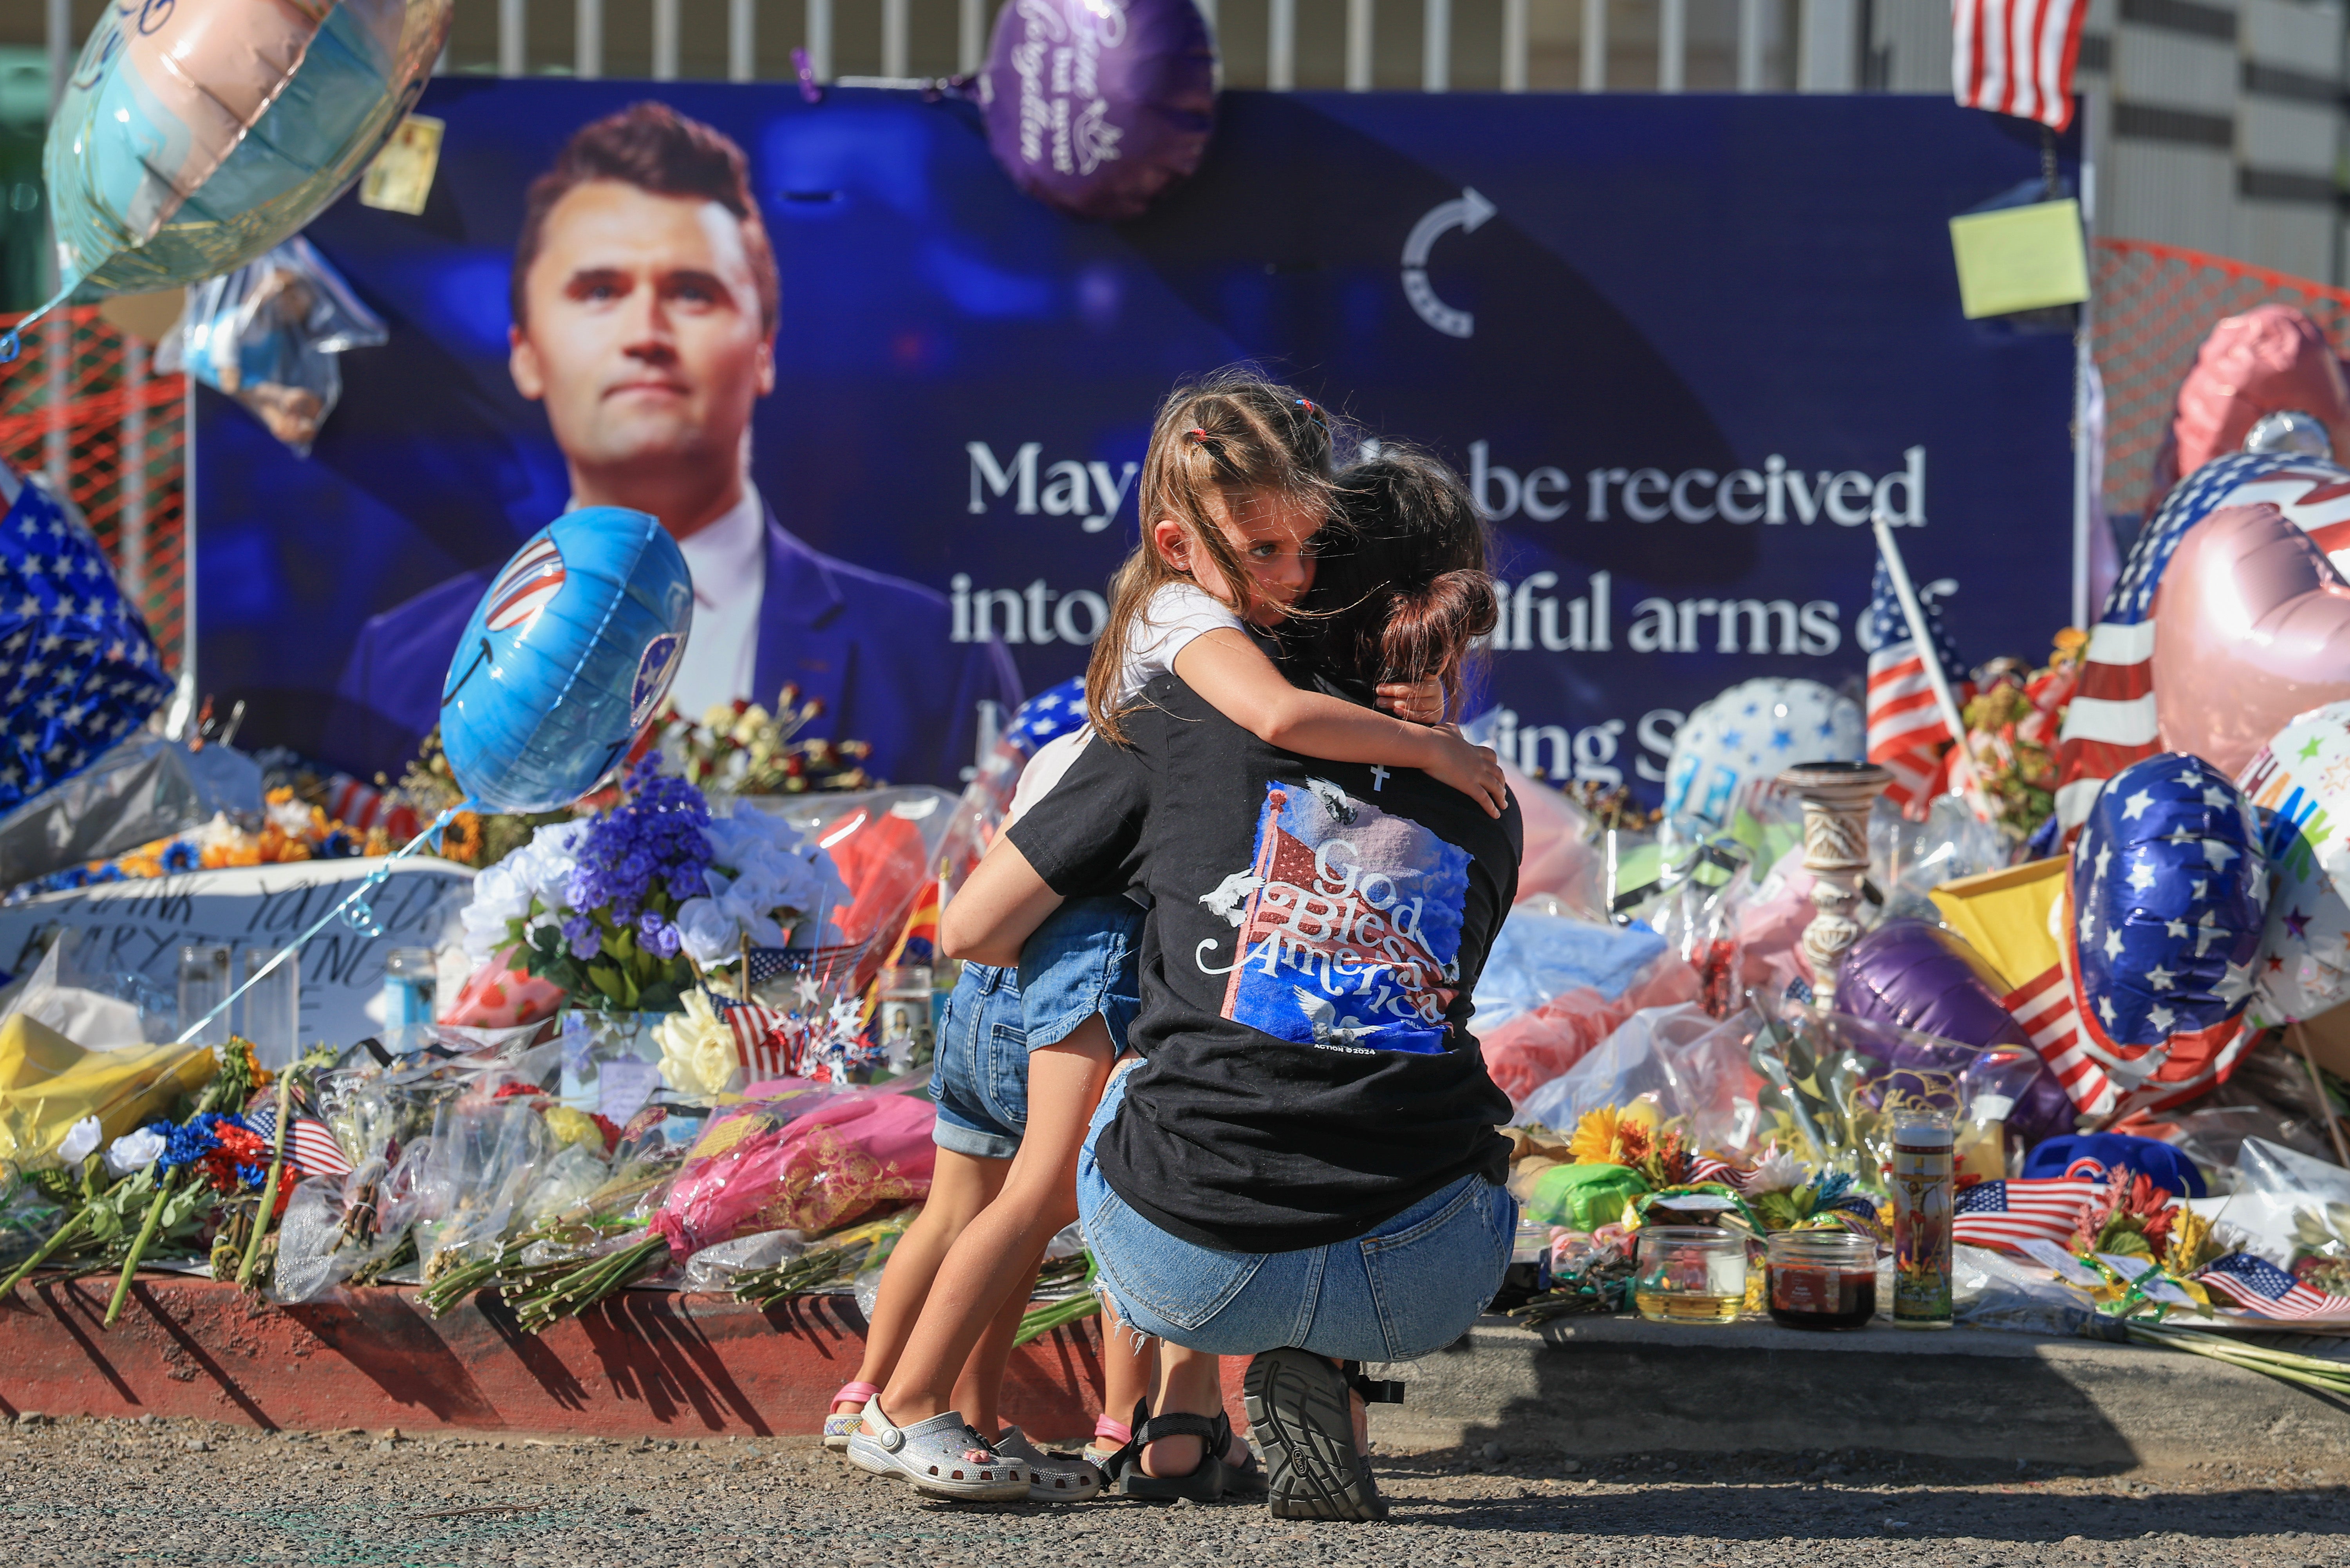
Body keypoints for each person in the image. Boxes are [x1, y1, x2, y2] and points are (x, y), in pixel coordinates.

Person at [845, 382, 1509, 1509]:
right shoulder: (1476, 789)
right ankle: (1228, 1397)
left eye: (1307, 550)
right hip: (1425, 1274)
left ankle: (1112, 1410)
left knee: (1177, 1067)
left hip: (1187, 1234)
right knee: (1328, 1042)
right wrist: (1425, 756)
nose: (1288, 573)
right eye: (1268, 550)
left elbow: (972, 931)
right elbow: (1412, 1006)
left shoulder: (1184, 709)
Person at [332, 102, 1019, 788]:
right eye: (600, 291)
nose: (646, 335)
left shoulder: (934, 664)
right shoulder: (398, 671)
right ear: (526, 353)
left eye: (692, 293)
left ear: (764, 350)